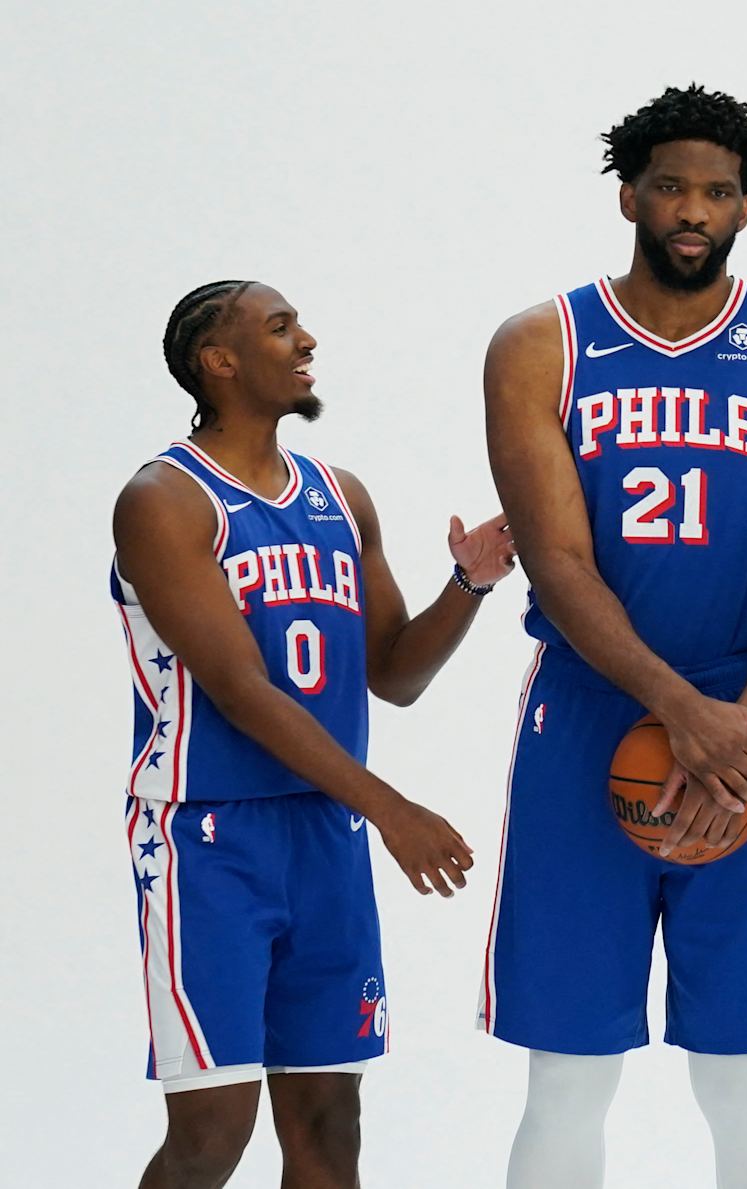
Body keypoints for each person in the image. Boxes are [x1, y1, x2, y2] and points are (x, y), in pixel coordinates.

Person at [479, 84, 747, 1188]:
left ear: (746, 208)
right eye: (674, 188)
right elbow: (556, 558)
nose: (695, 209)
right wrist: (677, 710)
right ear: (629, 196)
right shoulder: (540, 343)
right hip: (590, 716)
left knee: (746, 1071)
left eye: (720, 192)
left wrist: (737, 724)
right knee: (568, 1071)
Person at [114, 280, 515, 1188]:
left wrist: (470, 584)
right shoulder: (165, 500)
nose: (307, 340)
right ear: (218, 361)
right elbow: (239, 689)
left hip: (322, 833)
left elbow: (396, 674)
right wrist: (392, 810)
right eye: (281, 327)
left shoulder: (342, 496)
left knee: (331, 1124)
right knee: (214, 1128)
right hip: (208, 837)